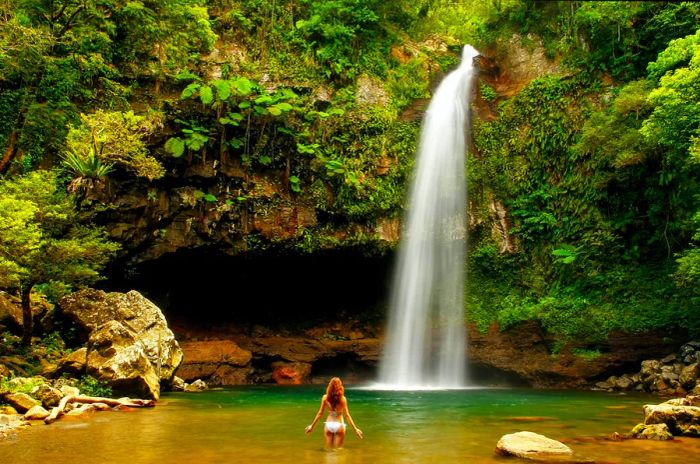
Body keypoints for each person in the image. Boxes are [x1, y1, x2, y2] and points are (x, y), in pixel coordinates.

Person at [305, 377, 363, 448]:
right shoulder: (343, 399)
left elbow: (320, 414)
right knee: (338, 451)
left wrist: (312, 426)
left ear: (329, 386)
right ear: (340, 386)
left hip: (329, 425)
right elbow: (347, 415)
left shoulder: (325, 398)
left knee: (329, 450)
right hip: (339, 425)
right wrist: (355, 429)